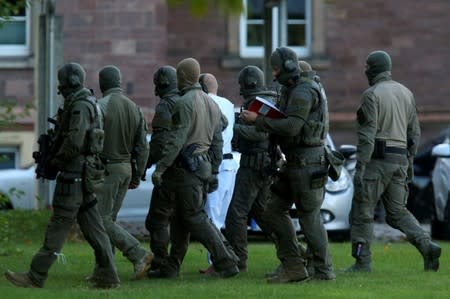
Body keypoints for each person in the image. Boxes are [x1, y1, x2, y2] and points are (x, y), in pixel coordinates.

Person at [4, 62, 120, 289]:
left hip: (74, 176)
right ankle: (109, 275)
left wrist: (55, 162)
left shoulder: (79, 106)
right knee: (94, 228)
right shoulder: (89, 103)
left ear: (72, 81)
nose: (60, 87)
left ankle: (36, 275)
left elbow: (75, 142)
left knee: (59, 224)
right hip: (82, 175)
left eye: (62, 82)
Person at [241, 47, 335, 283]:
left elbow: (293, 126)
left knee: (309, 217)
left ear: (289, 67)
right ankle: (294, 264)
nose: (273, 74)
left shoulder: (303, 91)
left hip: (307, 164)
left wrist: (259, 120)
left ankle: (323, 271)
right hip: (294, 163)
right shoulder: (294, 89)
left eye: (275, 69)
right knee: (272, 211)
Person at [345, 50, 441, 272]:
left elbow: (367, 136)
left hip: (377, 161)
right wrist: (408, 161)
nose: (365, 71)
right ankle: (426, 245)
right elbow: (414, 134)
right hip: (399, 159)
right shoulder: (406, 93)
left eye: (367, 67)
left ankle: (362, 262)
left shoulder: (371, 95)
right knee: (397, 212)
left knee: (362, 211)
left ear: (374, 68)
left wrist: (360, 167)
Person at [151, 57, 239, 278]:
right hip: (202, 168)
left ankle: (226, 260)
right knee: (182, 218)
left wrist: (160, 169)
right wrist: (215, 170)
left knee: (192, 217)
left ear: (181, 77)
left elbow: (176, 140)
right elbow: (218, 139)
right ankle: (171, 267)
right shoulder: (211, 103)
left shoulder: (184, 102)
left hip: (184, 172)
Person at [96, 65, 153, 280]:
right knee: (109, 219)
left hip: (107, 170)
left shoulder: (100, 106)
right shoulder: (135, 108)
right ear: (119, 82)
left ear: (102, 83)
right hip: (126, 170)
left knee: (101, 220)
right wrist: (137, 174)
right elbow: (143, 146)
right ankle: (104, 271)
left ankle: (138, 253)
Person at [223, 65, 278, 272]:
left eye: (241, 85)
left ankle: (238, 260)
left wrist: (233, 127)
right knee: (262, 214)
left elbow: (261, 133)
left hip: (254, 165)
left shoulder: (260, 103)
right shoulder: (264, 100)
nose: (240, 89)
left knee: (236, 214)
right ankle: (295, 252)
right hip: (261, 164)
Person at [145, 65, 185, 276]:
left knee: (156, 219)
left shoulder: (165, 106)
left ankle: (161, 263)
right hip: (190, 171)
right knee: (184, 221)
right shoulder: (187, 101)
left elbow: (159, 144)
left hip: (170, 172)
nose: (155, 92)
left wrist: (146, 164)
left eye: (157, 86)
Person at [198, 73, 239, 272]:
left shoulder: (204, 102)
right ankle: (222, 258)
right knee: (220, 217)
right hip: (230, 166)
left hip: (215, 164)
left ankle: (219, 262)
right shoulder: (229, 104)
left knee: (211, 216)